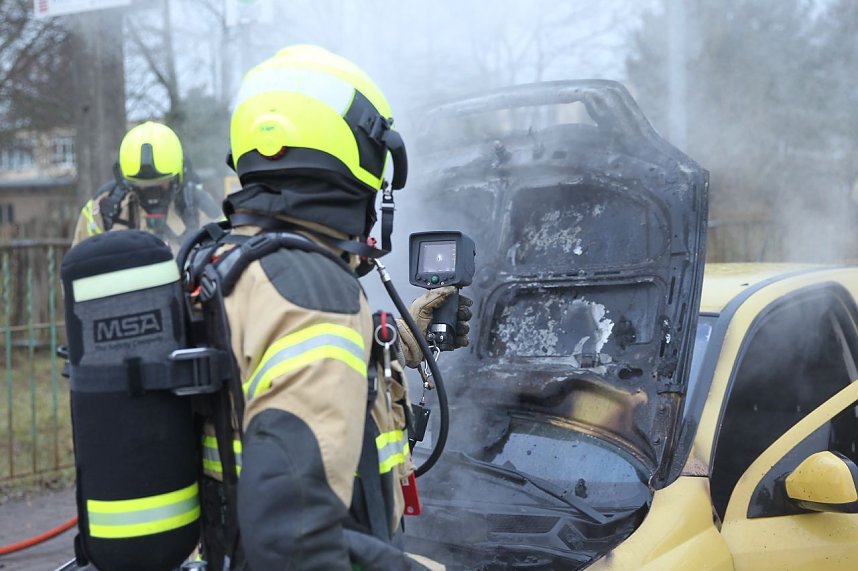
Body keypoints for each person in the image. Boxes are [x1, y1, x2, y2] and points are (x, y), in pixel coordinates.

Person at [190, 45, 469, 570]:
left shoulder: (228, 262)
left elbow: (271, 368)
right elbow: (295, 542)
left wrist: (399, 343)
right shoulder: (314, 291)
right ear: (358, 163)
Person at [71, 121, 220, 248]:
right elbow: (77, 266)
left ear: (179, 176)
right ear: (124, 180)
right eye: (140, 183)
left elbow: (224, 259)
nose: (151, 189)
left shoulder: (199, 207)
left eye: (161, 181)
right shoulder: (104, 208)